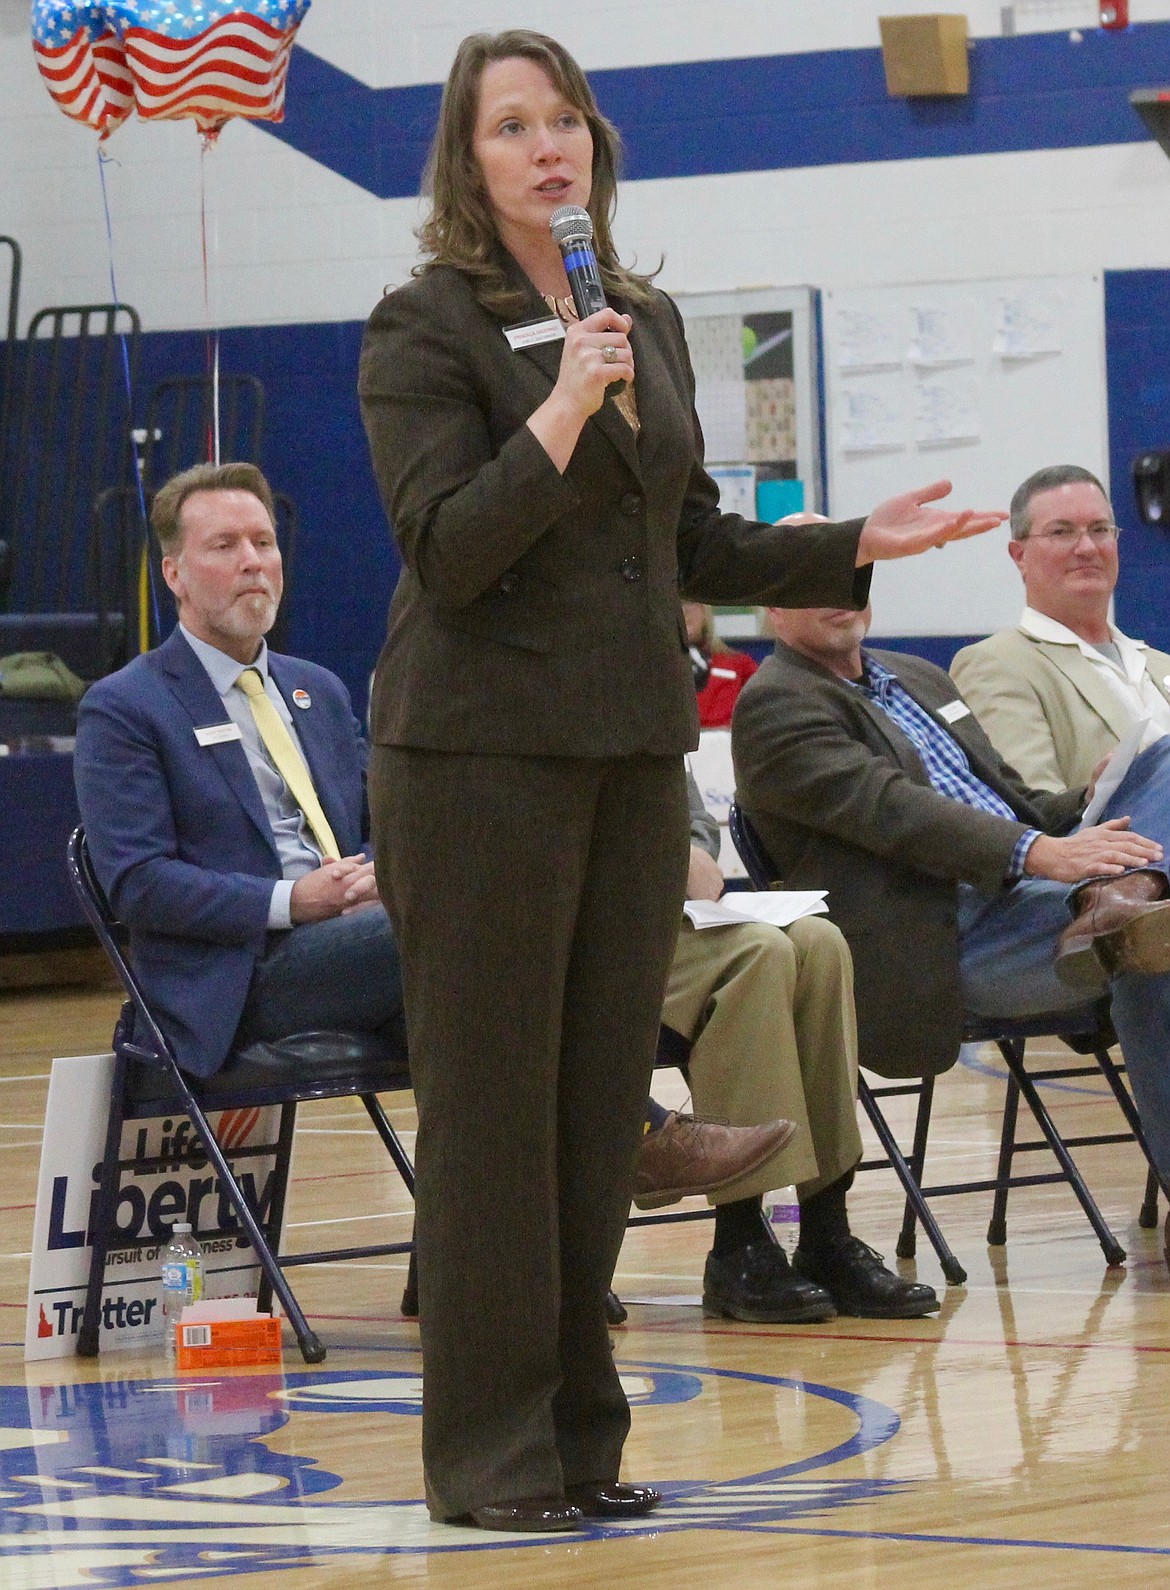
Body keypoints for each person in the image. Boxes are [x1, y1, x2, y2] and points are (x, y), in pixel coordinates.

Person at [357, 28, 1001, 1534]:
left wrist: (849, 543)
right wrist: (563, 408)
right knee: (494, 1116)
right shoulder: (422, 326)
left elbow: (690, 540)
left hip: (628, 750)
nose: (544, 146)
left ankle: (581, 1441)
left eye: (561, 118)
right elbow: (448, 547)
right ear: (470, 161)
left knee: (595, 1113)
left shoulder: (635, 311)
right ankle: (490, 1460)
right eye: (509, 126)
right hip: (475, 761)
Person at [731, 600, 1170, 1207]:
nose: (836, 592)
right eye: (810, 581)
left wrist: (1089, 798)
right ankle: (1122, 903)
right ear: (773, 609)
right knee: (1153, 949)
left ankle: (1123, 903)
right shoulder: (775, 702)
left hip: (1036, 896)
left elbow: (1014, 802)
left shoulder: (919, 675)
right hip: (942, 939)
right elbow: (896, 812)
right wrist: (1040, 851)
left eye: (849, 575)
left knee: (1164, 764)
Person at [73, 462, 406, 1083]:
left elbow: (375, 821)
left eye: (264, 542)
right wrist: (292, 901)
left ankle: (614, 1146)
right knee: (454, 926)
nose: (253, 561)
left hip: (358, 943)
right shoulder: (126, 706)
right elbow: (139, 883)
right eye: (224, 546)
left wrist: (385, 876)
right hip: (238, 977)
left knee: (499, 953)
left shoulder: (317, 690)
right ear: (174, 574)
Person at [641, 771, 939, 1322]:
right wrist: (650, 856)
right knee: (759, 953)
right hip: (587, 937)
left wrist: (687, 850)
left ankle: (826, 1234)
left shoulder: (636, 692)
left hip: (662, 916)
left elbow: (695, 823)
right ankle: (739, 1241)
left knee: (819, 941)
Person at [951, 463, 1170, 792]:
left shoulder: (1159, 663)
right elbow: (1031, 813)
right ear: (1020, 555)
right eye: (1061, 532)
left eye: (1100, 529)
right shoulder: (996, 665)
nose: (1087, 548)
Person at [682, 601, 758, 727]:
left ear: (705, 610)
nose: (684, 612)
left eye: (689, 603)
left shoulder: (740, 664)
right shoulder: (653, 671)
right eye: (676, 604)